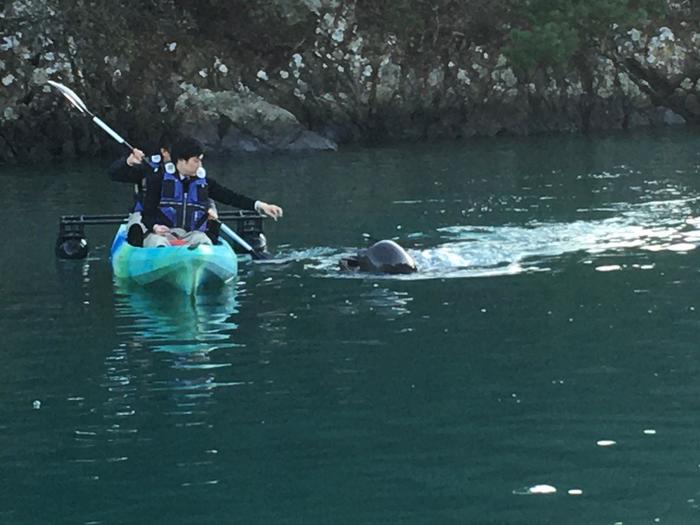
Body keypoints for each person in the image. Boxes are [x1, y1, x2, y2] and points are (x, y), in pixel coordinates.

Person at [141, 136, 282, 248]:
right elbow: (147, 213)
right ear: (181, 161)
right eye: (196, 161)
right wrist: (155, 227)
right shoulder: (157, 180)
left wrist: (260, 205)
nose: (200, 165)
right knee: (157, 243)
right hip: (164, 234)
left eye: (200, 161)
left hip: (192, 235)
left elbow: (231, 197)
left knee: (203, 242)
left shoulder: (204, 183)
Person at [108, 133, 176, 246]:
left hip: (174, 214)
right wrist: (128, 162)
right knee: (138, 225)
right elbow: (113, 174)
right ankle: (138, 242)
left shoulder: (189, 169)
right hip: (144, 213)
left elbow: (203, 195)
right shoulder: (146, 167)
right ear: (164, 152)